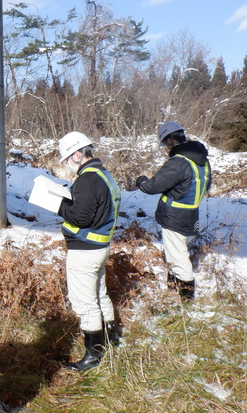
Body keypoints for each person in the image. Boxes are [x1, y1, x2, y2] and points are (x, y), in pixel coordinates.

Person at [56, 131, 121, 371]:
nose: (68, 165)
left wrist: (60, 205)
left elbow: (80, 216)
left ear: (76, 154)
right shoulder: (104, 175)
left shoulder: (86, 179)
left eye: (67, 159)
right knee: (100, 294)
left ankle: (93, 357)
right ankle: (111, 339)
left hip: (84, 251)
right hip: (100, 247)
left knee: (85, 303)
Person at [135, 121, 211, 301]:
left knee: (178, 258)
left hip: (175, 216)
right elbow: (205, 185)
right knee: (177, 252)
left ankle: (186, 303)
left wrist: (141, 181)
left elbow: (152, 186)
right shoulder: (202, 159)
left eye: (165, 143)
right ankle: (173, 290)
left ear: (170, 139)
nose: (165, 147)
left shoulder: (178, 162)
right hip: (191, 215)